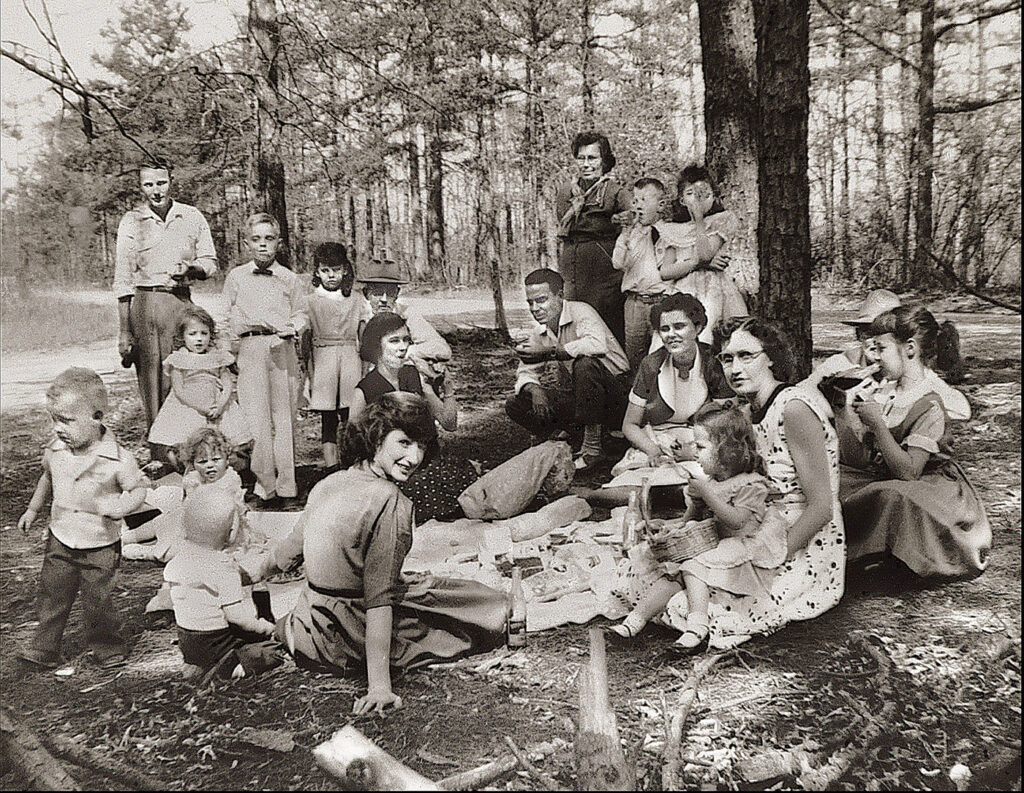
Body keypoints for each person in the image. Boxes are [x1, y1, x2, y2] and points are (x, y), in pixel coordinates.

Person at [258, 393, 506, 714]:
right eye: (404, 443)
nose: (414, 457)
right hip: (347, 636)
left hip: (306, 628)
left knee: (428, 586)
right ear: (376, 438)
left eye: (421, 446)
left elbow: (287, 555)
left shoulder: (329, 482)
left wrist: (246, 574)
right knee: (483, 605)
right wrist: (379, 686)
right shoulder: (391, 501)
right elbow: (379, 599)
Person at [658, 317, 845, 650]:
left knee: (697, 601)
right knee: (673, 573)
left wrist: (770, 558)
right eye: (727, 359)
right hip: (754, 524)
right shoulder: (745, 411)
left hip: (800, 538)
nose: (735, 368)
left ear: (771, 357)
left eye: (747, 356)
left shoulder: (795, 409)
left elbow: (821, 507)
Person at [838, 306, 991, 580]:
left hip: (927, 487)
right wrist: (842, 412)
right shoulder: (884, 391)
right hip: (885, 475)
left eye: (882, 348)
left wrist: (877, 425)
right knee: (835, 481)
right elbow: (859, 459)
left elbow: (909, 472)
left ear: (909, 349)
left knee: (891, 496)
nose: (875, 357)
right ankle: (848, 549)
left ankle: (888, 555)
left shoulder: (929, 402)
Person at [610, 403, 776, 651]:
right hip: (710, 543)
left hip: (739, 548)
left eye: (700, 447)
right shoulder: (710, 482)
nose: (694, 453)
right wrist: (669, 527)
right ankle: (634, 621)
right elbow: (691, 519)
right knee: (671, 572)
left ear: (727, 452)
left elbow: (736, 521)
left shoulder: (751, 484)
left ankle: (697, 625)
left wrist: (707, 494)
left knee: (690, 565)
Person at [17, 368, 147, 670]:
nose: (57, 429)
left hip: (100, 542)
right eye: (54, 420)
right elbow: (47, 479)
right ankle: (45, 647)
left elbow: (138, 489)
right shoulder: (56, 451)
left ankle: (107, 646)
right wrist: (33, 510)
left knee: (98, 599)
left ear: (97, 417)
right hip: (61, 535)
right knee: (52, 594)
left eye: (66, 420)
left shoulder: (119, 458)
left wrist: (122, 506)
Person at [113, 161, 218, 451]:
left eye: (161, 183)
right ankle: (160, 453)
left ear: (171, 181)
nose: (156, 191)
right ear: (141, 187)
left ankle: (190, 450)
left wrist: (192, 269)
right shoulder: (131, 221)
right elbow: (122, 279)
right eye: (148, 184)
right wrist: (125, 331)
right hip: (145, 305)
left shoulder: (191, 216)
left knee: (184, 373)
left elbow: (211, 262)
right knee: (151, 380)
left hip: (180, 303)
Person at [505, 268, 631, 472]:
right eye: (530, 302)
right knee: (516, 403)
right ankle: (570, 439)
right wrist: (535, 390)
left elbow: (596, 345)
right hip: (585, 397)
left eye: (542, 300)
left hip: (617, 394)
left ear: (560, 296)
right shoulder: (540, 331)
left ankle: (592, 449)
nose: (535, 308)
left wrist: (550, 352)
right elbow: (525, 372)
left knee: (585, 364)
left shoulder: (580, 311)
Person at [222, 213, 308, 506]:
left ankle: (286, 487)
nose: (262, 246)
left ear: (279, 243)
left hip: (281, 349)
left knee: (283, 419)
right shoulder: (235, 277)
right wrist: (230, 353)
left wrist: (293, 328)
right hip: (249, 348)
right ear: (247, 243)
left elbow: (301, 313)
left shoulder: (289, 278)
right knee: (256, 419)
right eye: (256, 240)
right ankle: (264, 486)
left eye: (269, 239)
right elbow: (226, 316)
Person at [349, 312, 469, 521]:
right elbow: (352, 445)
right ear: (376, 347)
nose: (403, 347)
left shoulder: (413, 376)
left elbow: (449, 423)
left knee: (465, 474)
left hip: (427, 461)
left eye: (406, 340)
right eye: (394, 341)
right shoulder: (365, 390)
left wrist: (448, 390)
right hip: (395, 472)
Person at [611, 293, 732, 480]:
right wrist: (653, 450)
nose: (671, 335)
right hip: (658, 439)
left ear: (698, 328)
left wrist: (693, 449)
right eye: (665, 329)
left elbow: (728, 420)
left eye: (679, 326)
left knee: (706, 475)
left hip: (703, 440)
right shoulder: (651, 365)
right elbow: (630, 425)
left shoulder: (713, 362)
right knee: (634, 477)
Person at [164, 487, 280, 679]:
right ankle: (233, 667)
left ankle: (198, 664)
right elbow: (236, 617)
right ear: (232, 532)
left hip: (188, 640)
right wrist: (263, 627)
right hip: (216, 642)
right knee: (271, 650)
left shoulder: (179, 558)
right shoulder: (223, 567)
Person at [804, 289, 970, 421]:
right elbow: (801, 395)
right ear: (857, 336)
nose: (874, 343)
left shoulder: (909, 372)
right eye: (867, 333)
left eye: (882, 337)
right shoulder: (842, 364)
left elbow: (960, 410)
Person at [652, 166, 748, 346]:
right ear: (681, 200)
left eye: (704, 193)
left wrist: (698, 221)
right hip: (682, 290)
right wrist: (698, 264)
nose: (697, 199)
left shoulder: (721, 220)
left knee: (706, 336)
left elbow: (705, 254)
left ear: (713, 196)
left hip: (712, 290)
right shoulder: (673, 230)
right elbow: (665, 272)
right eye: (690, 193)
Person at [122, 427, 249, 562]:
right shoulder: (194, 479)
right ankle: (129, 536)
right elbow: (186, 508)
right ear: (193, 463)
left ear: (227, 460)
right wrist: (190, 495)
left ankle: (150, 552)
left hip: (217, 531)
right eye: (202, 462)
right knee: (164, 520)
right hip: (190, 522)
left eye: (216, 459)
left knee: (181, 549)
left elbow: (232, 515)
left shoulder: (229, 480)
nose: (210, 465)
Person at [146, 305, 252, 468]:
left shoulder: (217, 356)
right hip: (189, 405)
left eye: (204, 333)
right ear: (182, 336)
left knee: (221, 440)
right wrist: (200, 407)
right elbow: (179, 390)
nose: (199, 339)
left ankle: (221, 468)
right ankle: (187, 467)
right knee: (187, 439)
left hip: (215, 404)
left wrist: (220, 405)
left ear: (211, 335)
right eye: (192, 334)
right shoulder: (179, 359)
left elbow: (227, 384)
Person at [555, 131, 633, 346]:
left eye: (592, 158)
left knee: (607, 326)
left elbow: (636, 220)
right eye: (581, 158)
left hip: (604, 272)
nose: (586, 164)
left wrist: (623, 220)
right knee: (573, 321)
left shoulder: (616, 192)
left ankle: (613, 375)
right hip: (572, 269)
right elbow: (563, 223)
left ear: (604, 160)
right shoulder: (565, 191)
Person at [306, 242, 372, 470]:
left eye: (336, 269)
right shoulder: (311, 300)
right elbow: (306, 338)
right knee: (328, 418)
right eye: (325, 270)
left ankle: (352, 463)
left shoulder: (355, 299)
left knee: (351, 414)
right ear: (317, 272)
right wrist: (309, 370)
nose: (331, 275)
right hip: (323, 358)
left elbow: (363, 335)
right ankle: (331, 466)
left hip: (349, 358)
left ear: (345, 269)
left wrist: (365, 363)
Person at [357, 257, 452, 392]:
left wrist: (405, 352)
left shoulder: (405, 314)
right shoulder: (358, 316)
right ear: (366, 294)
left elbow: (442, 349)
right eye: (377, 293)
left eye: (389, 293)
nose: (384, 299)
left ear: (397, 294)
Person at [611, 178, 674, 370]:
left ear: (661, 205)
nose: (638, 206)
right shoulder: (631, 234)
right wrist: (625, 234)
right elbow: (617, 263)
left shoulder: (669, 232)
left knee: (664, 354)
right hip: (635, 303)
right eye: (635, 201)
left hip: (662, 301)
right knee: (635, 356)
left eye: (644, 200)